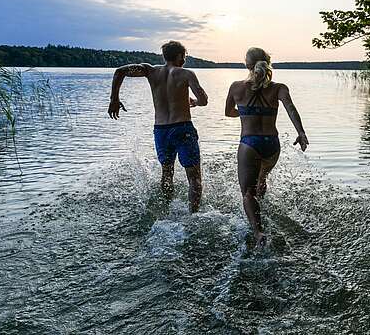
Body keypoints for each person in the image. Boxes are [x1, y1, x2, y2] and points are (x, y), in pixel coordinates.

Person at [108, 41, 208, 212]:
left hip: (161, 131)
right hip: (183, 128)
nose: (184, 60)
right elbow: (204, 100)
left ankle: (166, 210)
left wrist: (114, 99)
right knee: (194, 178)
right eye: (184, 56)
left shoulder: (150, 71)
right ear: (179, 56)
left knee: (167, 173)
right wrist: (195, 102)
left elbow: (120, 71)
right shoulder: (186, 74)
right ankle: (194, 215)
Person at [225, 47, 308, 247]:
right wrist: (301, 132)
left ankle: (258, 232)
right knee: (261, 179)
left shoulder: (236, 87)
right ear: (267, 62)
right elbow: (291, 108)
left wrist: (245, 114)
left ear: (247, 64)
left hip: (249, 143)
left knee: (247, 192)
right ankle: (261, 207)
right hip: (272, 144)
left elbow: (228, 112)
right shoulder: (279, 87)